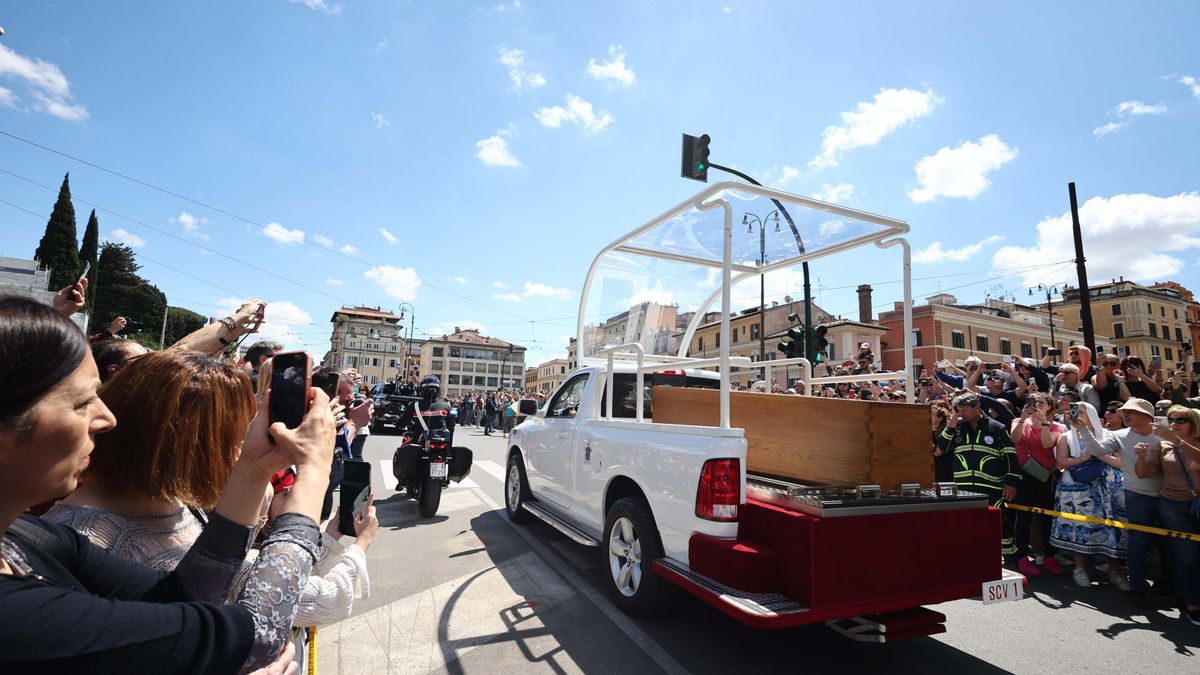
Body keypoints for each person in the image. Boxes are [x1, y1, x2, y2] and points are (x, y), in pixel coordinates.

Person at [0, 295, 334, 673]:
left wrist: (254, 469)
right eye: (81, 403)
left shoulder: (29, 537)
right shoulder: (16, 612)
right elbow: (251, 638)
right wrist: (314, 474)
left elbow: (185, 594)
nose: (108, 418)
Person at [1074, 397, 1164, 607]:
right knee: (1138, 543)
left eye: (1130, 411)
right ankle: (1138, 589)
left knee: (1172, 545)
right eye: (1124, 412)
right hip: (1136, 495)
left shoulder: (1165, 434)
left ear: (1147, 415)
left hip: (1170, 497)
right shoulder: (1119, 435)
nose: (1125, 415)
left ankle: (1177, 589)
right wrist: (1084, 431)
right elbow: (1097, 450)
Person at [1048, 401, 1128, 590]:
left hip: (1107, 488)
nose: (1077, 414)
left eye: (1082, 411)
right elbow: (1060, 462)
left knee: (1112, 527)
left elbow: (1120, 463)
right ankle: (1080, 569)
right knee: (1080, 527)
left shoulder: (1110, 436)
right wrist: (1083, 458)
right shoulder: (1065, 437)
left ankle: (1115, 571)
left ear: (1091, 413)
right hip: (1077, 488)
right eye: (1074, 411)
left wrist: (1098, 453)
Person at [1133, 405, 1200, 625]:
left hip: (1197, 502)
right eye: (1171, 420)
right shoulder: (1162, 445)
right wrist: (1141, 457)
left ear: (1194, 423)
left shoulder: (1191, 443)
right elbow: (1144, 474)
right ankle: (1192, 603)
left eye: (1181, 420)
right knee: (1186, 555)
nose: (1174, 424)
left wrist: (1177, 440)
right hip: (1172, 505)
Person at [936, 392, 1020, 559]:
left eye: (964, 410)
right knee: (967, 523)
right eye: (958, 410)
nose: (961, 414)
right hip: (963, 488)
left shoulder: (996, 428)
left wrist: (1011, 482)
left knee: (998, 522)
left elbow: (1010, 455)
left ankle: (1008, 558)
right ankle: (971, 557)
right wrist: (950, 427)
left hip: (992, 488)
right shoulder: (956, 428)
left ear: (977, 407)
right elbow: (940, 450)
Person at [1009, 393, 1064, 577]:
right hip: (1024, 475)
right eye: (1033, 402)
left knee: (1047, 517)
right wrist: (1024, 419)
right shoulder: (1018, 421)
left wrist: (1044, 423)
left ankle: (1049, 556)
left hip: (1045, 476)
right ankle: (1022, 557)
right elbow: (1015, 439)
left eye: (1041, 403)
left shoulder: (1056, 426)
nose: (1036, 405)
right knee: (1023, 517)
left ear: (1049, 407)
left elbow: (1046, 443)